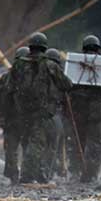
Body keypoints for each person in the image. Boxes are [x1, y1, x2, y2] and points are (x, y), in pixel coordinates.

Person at [7, 32, 72, 184]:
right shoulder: (50, 65)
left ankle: (35, 174)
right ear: (44, 47)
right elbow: (67, 84)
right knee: (37, 143)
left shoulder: (19, 64)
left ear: (30, 46)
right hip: (41, 111)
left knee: (27, 141)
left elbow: (10, 87)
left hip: (22, 111)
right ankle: (28, 176)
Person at [65, 34, 101, 183]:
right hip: (96, 112)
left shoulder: (75, 65)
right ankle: (90, 174)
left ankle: (75, 172)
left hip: (78, 111)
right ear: (98, 49)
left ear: (84, 48)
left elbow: (66, 88)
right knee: (94, 142)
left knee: (78, 141)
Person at [0, 47, 29, 183]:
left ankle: (13, 175)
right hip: (26, 118)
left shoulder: (6, 77)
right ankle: (27, 175)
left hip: (10, 118)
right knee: (27, 146)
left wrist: (3, 114)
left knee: (11, 148)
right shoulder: (31, 77)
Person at [45, 47, 68, 178]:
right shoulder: (59, 76)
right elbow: (68, 86)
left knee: (43, 145)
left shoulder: (38, 73)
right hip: (55, 114)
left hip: (41, 114)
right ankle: (50, 171)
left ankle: (48, 171)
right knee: (55, 145)